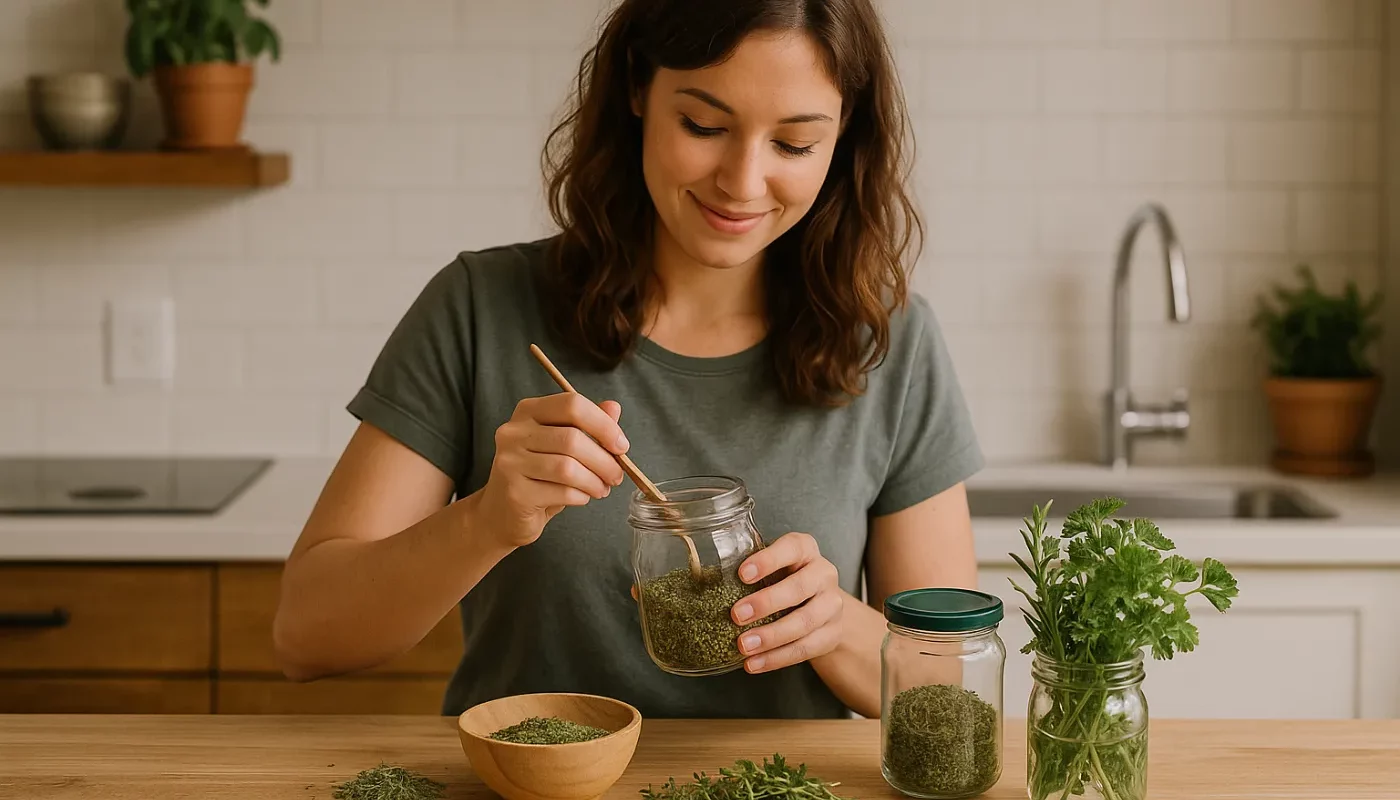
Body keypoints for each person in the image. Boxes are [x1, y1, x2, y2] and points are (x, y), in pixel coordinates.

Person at [272, 0, 983, 721]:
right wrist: (487, 521)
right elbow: (305, 636)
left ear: (843, 135)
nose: (743, 181)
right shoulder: (481, 308)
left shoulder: (890, 343)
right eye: (703, 126)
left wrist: (833, 624)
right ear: (638, 87)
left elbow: (949, 693)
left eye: (794, 144)